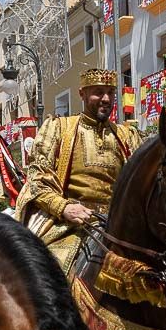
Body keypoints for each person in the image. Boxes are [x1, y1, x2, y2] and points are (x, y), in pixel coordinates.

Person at [14, 68, 142, 271]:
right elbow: (37, 179)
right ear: (82, 94)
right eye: (98, 92)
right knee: (46, 273)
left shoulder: (128, 136)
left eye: (110, 92)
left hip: (118, 226)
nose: (106, 98)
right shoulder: (59, 128)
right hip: (68, 223)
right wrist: (63, 208)